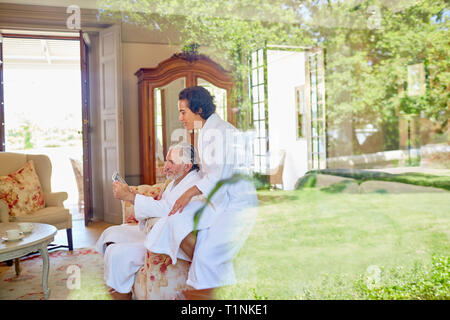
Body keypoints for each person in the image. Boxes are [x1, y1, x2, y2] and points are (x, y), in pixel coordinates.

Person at [150, 86, 258, 299]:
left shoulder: (219, 132)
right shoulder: (208, 131)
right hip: (221, 202)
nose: (180, 118)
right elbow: (209, 175)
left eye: (183, 112)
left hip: (237, 206)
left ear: (198, 109)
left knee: (207, 257)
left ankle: (210, 296)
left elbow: (217, 175)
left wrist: (188, 193)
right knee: (183, 230)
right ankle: (207, 294)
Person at [95, 142, 206, 300]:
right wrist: (133, 195)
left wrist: (130, 197)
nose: (165, 167)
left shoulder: (194, 185)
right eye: (166, 160)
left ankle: (120, 293)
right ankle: (117, 285)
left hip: (166, 240)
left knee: (116, 253)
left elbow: (169, 211)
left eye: (171, 162)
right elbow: (163, 205)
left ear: (187, 166)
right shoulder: (178, 180)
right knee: (111, 233)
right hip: (155, 229)